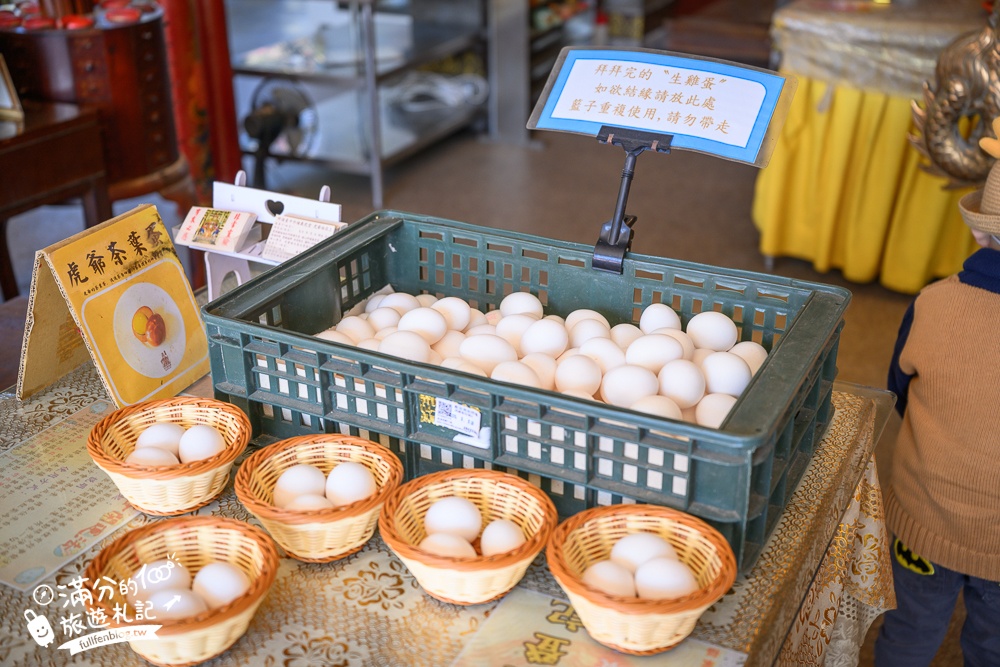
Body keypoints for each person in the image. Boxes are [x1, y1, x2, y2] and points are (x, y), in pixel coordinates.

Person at [874, 120, 1000, 666]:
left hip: (926, 518)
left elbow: (898, 389)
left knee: (910, 628)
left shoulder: (934, 303)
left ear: (979, 231)